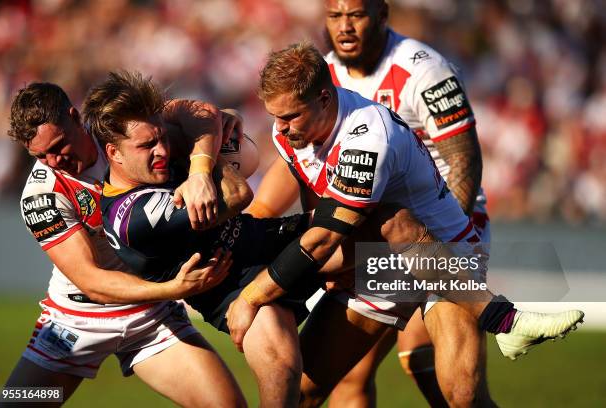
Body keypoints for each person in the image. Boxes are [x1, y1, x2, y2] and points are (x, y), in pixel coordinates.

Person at [226, 41, 585, 408]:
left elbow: (326, 236)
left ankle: (502, 317)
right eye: (275, 117)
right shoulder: (289, 132)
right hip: (380, 258)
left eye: (290, 117)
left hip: (442, 255)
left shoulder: (367, 135)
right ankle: (505, 318)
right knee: (303, 393)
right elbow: (318, 203)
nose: (281, 129)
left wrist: (250, 297)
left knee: (463, 399)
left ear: (323, 98)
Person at [245, 0, 487, 405]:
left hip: (438, 231)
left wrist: (441, 249)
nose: (345, 27)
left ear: (381, 14)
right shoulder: (316, 77)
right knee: (343, 381)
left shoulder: (424, 70)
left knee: (454, 388)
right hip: (371, 232)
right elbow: (312, 177)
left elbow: (463, 158)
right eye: (334, 15)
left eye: (355, 14)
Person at [0, 81, 247, 407]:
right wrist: (174, 289)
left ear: (75, 117)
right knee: (15, 404)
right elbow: (92, 281)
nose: (53, 160)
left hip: (149, 319)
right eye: (40, 155)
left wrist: (203, 163)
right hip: (75, 324)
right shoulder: (41, 195)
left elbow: (200, 114)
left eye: (58, 145)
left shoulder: (119, 130)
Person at [87, 70, 324, 408]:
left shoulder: (155, 147)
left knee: (395, 243)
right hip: (235, 287)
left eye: (162, 137)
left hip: (273, 239)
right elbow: (238, 193)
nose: (161, 150)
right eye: (146, 146)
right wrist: (207, 149)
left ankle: (426, 286)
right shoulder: (134, 217)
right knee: (281, 363)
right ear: (114, 153)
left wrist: (202, 155)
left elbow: (204, 114)